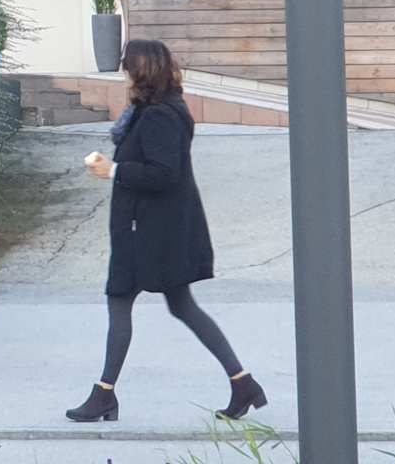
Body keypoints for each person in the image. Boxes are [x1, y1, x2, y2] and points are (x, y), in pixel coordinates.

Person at [65, 38, 265, 424]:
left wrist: (115, 170)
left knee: (120, 299)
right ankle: (243, 383)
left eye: (127, 66)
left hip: (147, 232)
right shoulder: (155, 110)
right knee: (181, 305)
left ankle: (104, 394)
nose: (123, 73)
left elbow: (164, 173)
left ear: (140, 71)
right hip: (156, 229)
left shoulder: (159, 115)